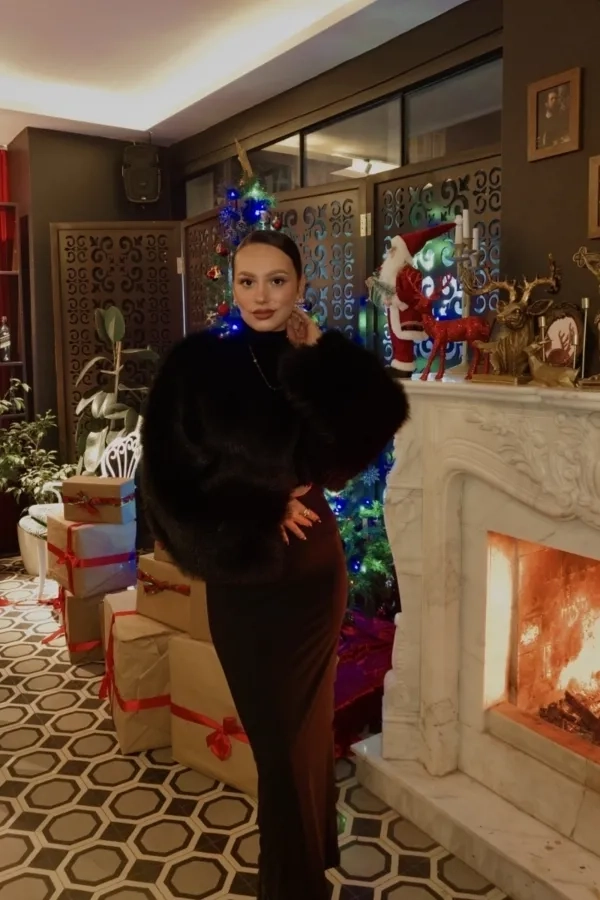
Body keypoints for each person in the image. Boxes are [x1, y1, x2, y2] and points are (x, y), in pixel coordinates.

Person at [141, 229, 409, 900]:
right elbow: (166, 484)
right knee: (278, 740)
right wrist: (258, 508)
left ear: (300, 287)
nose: (262, 296)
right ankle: (308, 856)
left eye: (277, 280)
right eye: (248, 281)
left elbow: (361, 443)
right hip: (243, 575)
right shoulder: (196, 367)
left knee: (301, 735)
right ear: (231, 287)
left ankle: (293, 884)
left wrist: (322, 359)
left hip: (312, 575)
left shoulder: (306, 359)